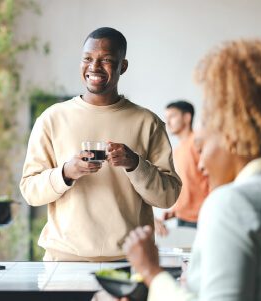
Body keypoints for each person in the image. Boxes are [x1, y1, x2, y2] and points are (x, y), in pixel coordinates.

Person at [122, 39, 261, 300]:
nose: (200, 163)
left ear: (231, 137)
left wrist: (151, 272)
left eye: (202, 146)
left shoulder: (230, 204)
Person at [20, 27, 181, 262]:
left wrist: (136, 164)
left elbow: (168, 197)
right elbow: (30, 191)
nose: (94, 67)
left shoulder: (148, 122)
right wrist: (66, 172)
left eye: (106, 60)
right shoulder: (51, 119)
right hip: (64, 262)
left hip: (129, 263)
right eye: (87, 58)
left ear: (123, 66)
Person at [154, 101, 209, 236]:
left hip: (201, 218)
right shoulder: (178, 150)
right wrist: (176, 210)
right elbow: (188, 183)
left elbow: (212, 179)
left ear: (186, 118)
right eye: (166, 118)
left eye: (172, 116)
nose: (168, 122)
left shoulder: (198, 142)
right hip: (183, 218)